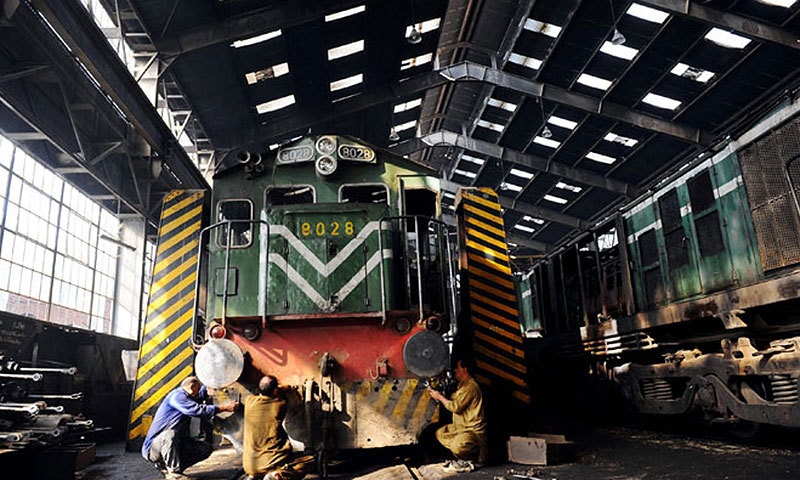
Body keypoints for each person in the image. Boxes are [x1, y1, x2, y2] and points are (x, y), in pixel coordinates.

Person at [142, 376, 238, 480]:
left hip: (174, 443)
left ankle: (167, 468)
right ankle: (174, 473)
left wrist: (209, 388)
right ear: (191, 387)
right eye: (197, 391)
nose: (197, 395)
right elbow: (196, 410)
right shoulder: (177, 396)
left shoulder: (188, 395)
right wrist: (224, 407)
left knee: (205, 449)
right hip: (153, 448)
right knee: (169, 434)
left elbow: (198, 397)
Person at [242, 375, 312, 480]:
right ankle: (275, 476)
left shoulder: (249, 401)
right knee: (310, 461)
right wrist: (286, 388)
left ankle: (254, 476)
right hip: (271, 464)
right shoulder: (280, 405)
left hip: (249, 466)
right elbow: (280, 397)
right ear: (275, 391)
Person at [426, 357, 488, 473]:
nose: (455, 370)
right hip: (460, 428)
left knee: (458, 445)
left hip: (472, 431)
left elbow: (455, 407)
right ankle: (463, 455)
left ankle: (474, 456)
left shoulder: (471, 387)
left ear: (465, 369)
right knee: (440, 433)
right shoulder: (463, 386)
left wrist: (439, 397)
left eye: (458, 368)